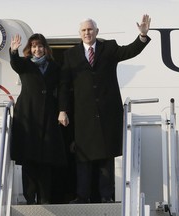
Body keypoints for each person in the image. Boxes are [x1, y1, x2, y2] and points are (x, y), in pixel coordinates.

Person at [58, 14, 151, 203]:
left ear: (96, 31)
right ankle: (82, 196)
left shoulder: (108, 48)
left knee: (106, 157)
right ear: (79, 34)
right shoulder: (70, 55)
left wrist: (142, 36)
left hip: (107, 112)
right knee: (83, 157)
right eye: (84, 30)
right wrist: (62, 109)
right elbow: (64, 84)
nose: (87, 33)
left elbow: (129, 51)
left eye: (90, 29)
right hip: (83, 114)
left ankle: (106, 196)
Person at [9, 33, 67, 204]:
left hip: (48, 116)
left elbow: (62, 89)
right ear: (30, 48)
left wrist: (62, 110)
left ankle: (44, 198)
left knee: (46, 160)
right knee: (29, 159)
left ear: (45, 48)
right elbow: (15, 63)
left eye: (40, 46)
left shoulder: (55, 67)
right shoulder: (25, 64)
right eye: (34, 46)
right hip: (28, 116)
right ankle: (30, 198)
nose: (37, 49)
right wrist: (13, 50)